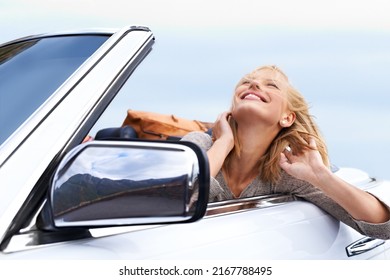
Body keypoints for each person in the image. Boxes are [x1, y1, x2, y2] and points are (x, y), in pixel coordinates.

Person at [182, 65, 390, 240]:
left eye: (271, 85)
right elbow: (175, 199)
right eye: (246, 82)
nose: (254, 85)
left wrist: (320, 176)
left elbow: (382, 227)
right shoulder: (198, 145)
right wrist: (224, 142)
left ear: (287, 118)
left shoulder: (288, 174)